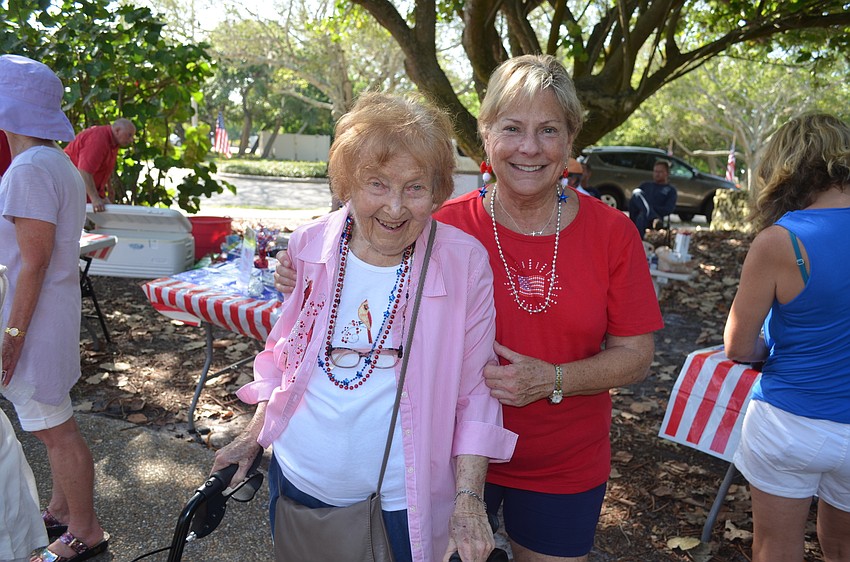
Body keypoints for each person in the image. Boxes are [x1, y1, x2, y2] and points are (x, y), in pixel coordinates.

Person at [278, 55, 663, 562]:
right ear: (484, 134)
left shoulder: (613, 233)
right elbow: (362, 234)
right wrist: (303, 269)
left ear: (571, 140)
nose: (529, 147)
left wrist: (553, 379)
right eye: (512, 128)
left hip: (560, 463)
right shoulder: (438, 224)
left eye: (548, 130)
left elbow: (636, 354)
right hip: (437, 459)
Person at [213, 92, 517, 562]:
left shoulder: (462, 262)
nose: (395, 208)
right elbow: (284, 357)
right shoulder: (311, 243)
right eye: (377, 184)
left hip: (400, 505)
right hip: (296, 483)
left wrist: (469, 499)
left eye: (415, 188)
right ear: (348, 182)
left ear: (437, 192)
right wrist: (252, 437)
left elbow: (477, 390)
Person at [723, 113, 850, 562]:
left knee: (775, 547)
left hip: (789, 420)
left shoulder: (780, 241)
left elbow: (738, 346)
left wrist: (771, 348)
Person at [0, 54, 109, 562]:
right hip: (52, 314)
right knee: (52, 422)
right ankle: (64, 510)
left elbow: (33, 262)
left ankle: (84, 532)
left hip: (34, 321)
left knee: (55, 429)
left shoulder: (28, 168)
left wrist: (12, 335)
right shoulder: (57, 162)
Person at [64, 117, 135, 212]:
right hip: (70, 190)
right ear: (117, 130)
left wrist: (108, 188)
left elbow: (103, 167)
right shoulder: (99, 139)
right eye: (129, 135)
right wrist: (95, 198)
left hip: (85, 190)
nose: (131, 140)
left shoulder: (114, 142)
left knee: (106, 216)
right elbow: (84, 171)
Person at [628, 159, 677, 239]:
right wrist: (648, 210)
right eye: (655, 171)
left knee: (642, 216)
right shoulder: (646, 185)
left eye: (660, 172)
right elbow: (634, 201)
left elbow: (669, 209)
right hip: (639, 216)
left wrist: (649, 209)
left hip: (655, 220)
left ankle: (638, 243)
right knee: (637, 192)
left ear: (667, 173)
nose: (657, 174)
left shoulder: (670, 190)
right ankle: (652, 216)